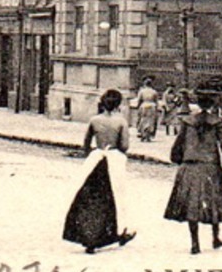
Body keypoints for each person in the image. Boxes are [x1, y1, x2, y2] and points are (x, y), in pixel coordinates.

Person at [62, 90, 136, 254]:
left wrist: (93, 155)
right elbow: (124, 146)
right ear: (118, 105)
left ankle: (87, 236)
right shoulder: (121, 122)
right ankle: (115, 233)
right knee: (116, 198)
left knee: (89, 198)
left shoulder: (94, 120)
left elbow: (86, 143)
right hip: (113, 162)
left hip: (96, 161)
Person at [164, 86, 222, 255]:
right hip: (211, 166)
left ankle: (195, 243)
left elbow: (179, 142)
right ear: (211, 104)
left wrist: (176, 158)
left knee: (192, 204)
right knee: (214, 201)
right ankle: (215, 238)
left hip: (190, 165)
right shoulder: (217, 122)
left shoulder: (188, 121)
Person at [133, 78, 160, 142]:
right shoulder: (154, 91)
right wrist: (157, 108)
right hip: (152, 106)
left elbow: (139, 100)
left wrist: (138, 106)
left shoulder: (142, 91)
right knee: (150, 121)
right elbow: (156, 101)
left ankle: (143, 134)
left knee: (143, 120)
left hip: (144, 105)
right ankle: (148, 135)